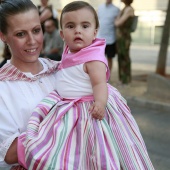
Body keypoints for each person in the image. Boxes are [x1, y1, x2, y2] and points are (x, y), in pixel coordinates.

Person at [23, 1, 155, 169]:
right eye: (71, 26)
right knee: (69, 148)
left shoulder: (93, 58)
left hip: (89, 109)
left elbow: (100, 84)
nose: (78, 30)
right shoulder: (69, 50)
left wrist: (100, 104)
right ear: (62, 35)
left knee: (94, 147)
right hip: (68, 107)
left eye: (85, 26)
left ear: (94, 33)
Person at [0, 0, 59, 169]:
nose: (32, 41)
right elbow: (10, 153)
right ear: (3, 36)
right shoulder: (3, 87)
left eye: (36, 30)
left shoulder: (61, 71)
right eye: (20, 34)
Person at [115, 0, 135, 85]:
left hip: (125, 37)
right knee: (120, 57)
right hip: (120, 37)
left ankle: (126, 79)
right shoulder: (124, 8)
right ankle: (122, 79)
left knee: (125, 57)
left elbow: (118, 23)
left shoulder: (129, 9)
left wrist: (116, 21)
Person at [97, 0, 119, 74]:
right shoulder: (100, 8)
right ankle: (100, 75)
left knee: (110, 58)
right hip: (100, 38)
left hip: (111, 38)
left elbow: (117, 25)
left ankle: (108, 76)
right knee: (99, 58)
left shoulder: (116, 10)